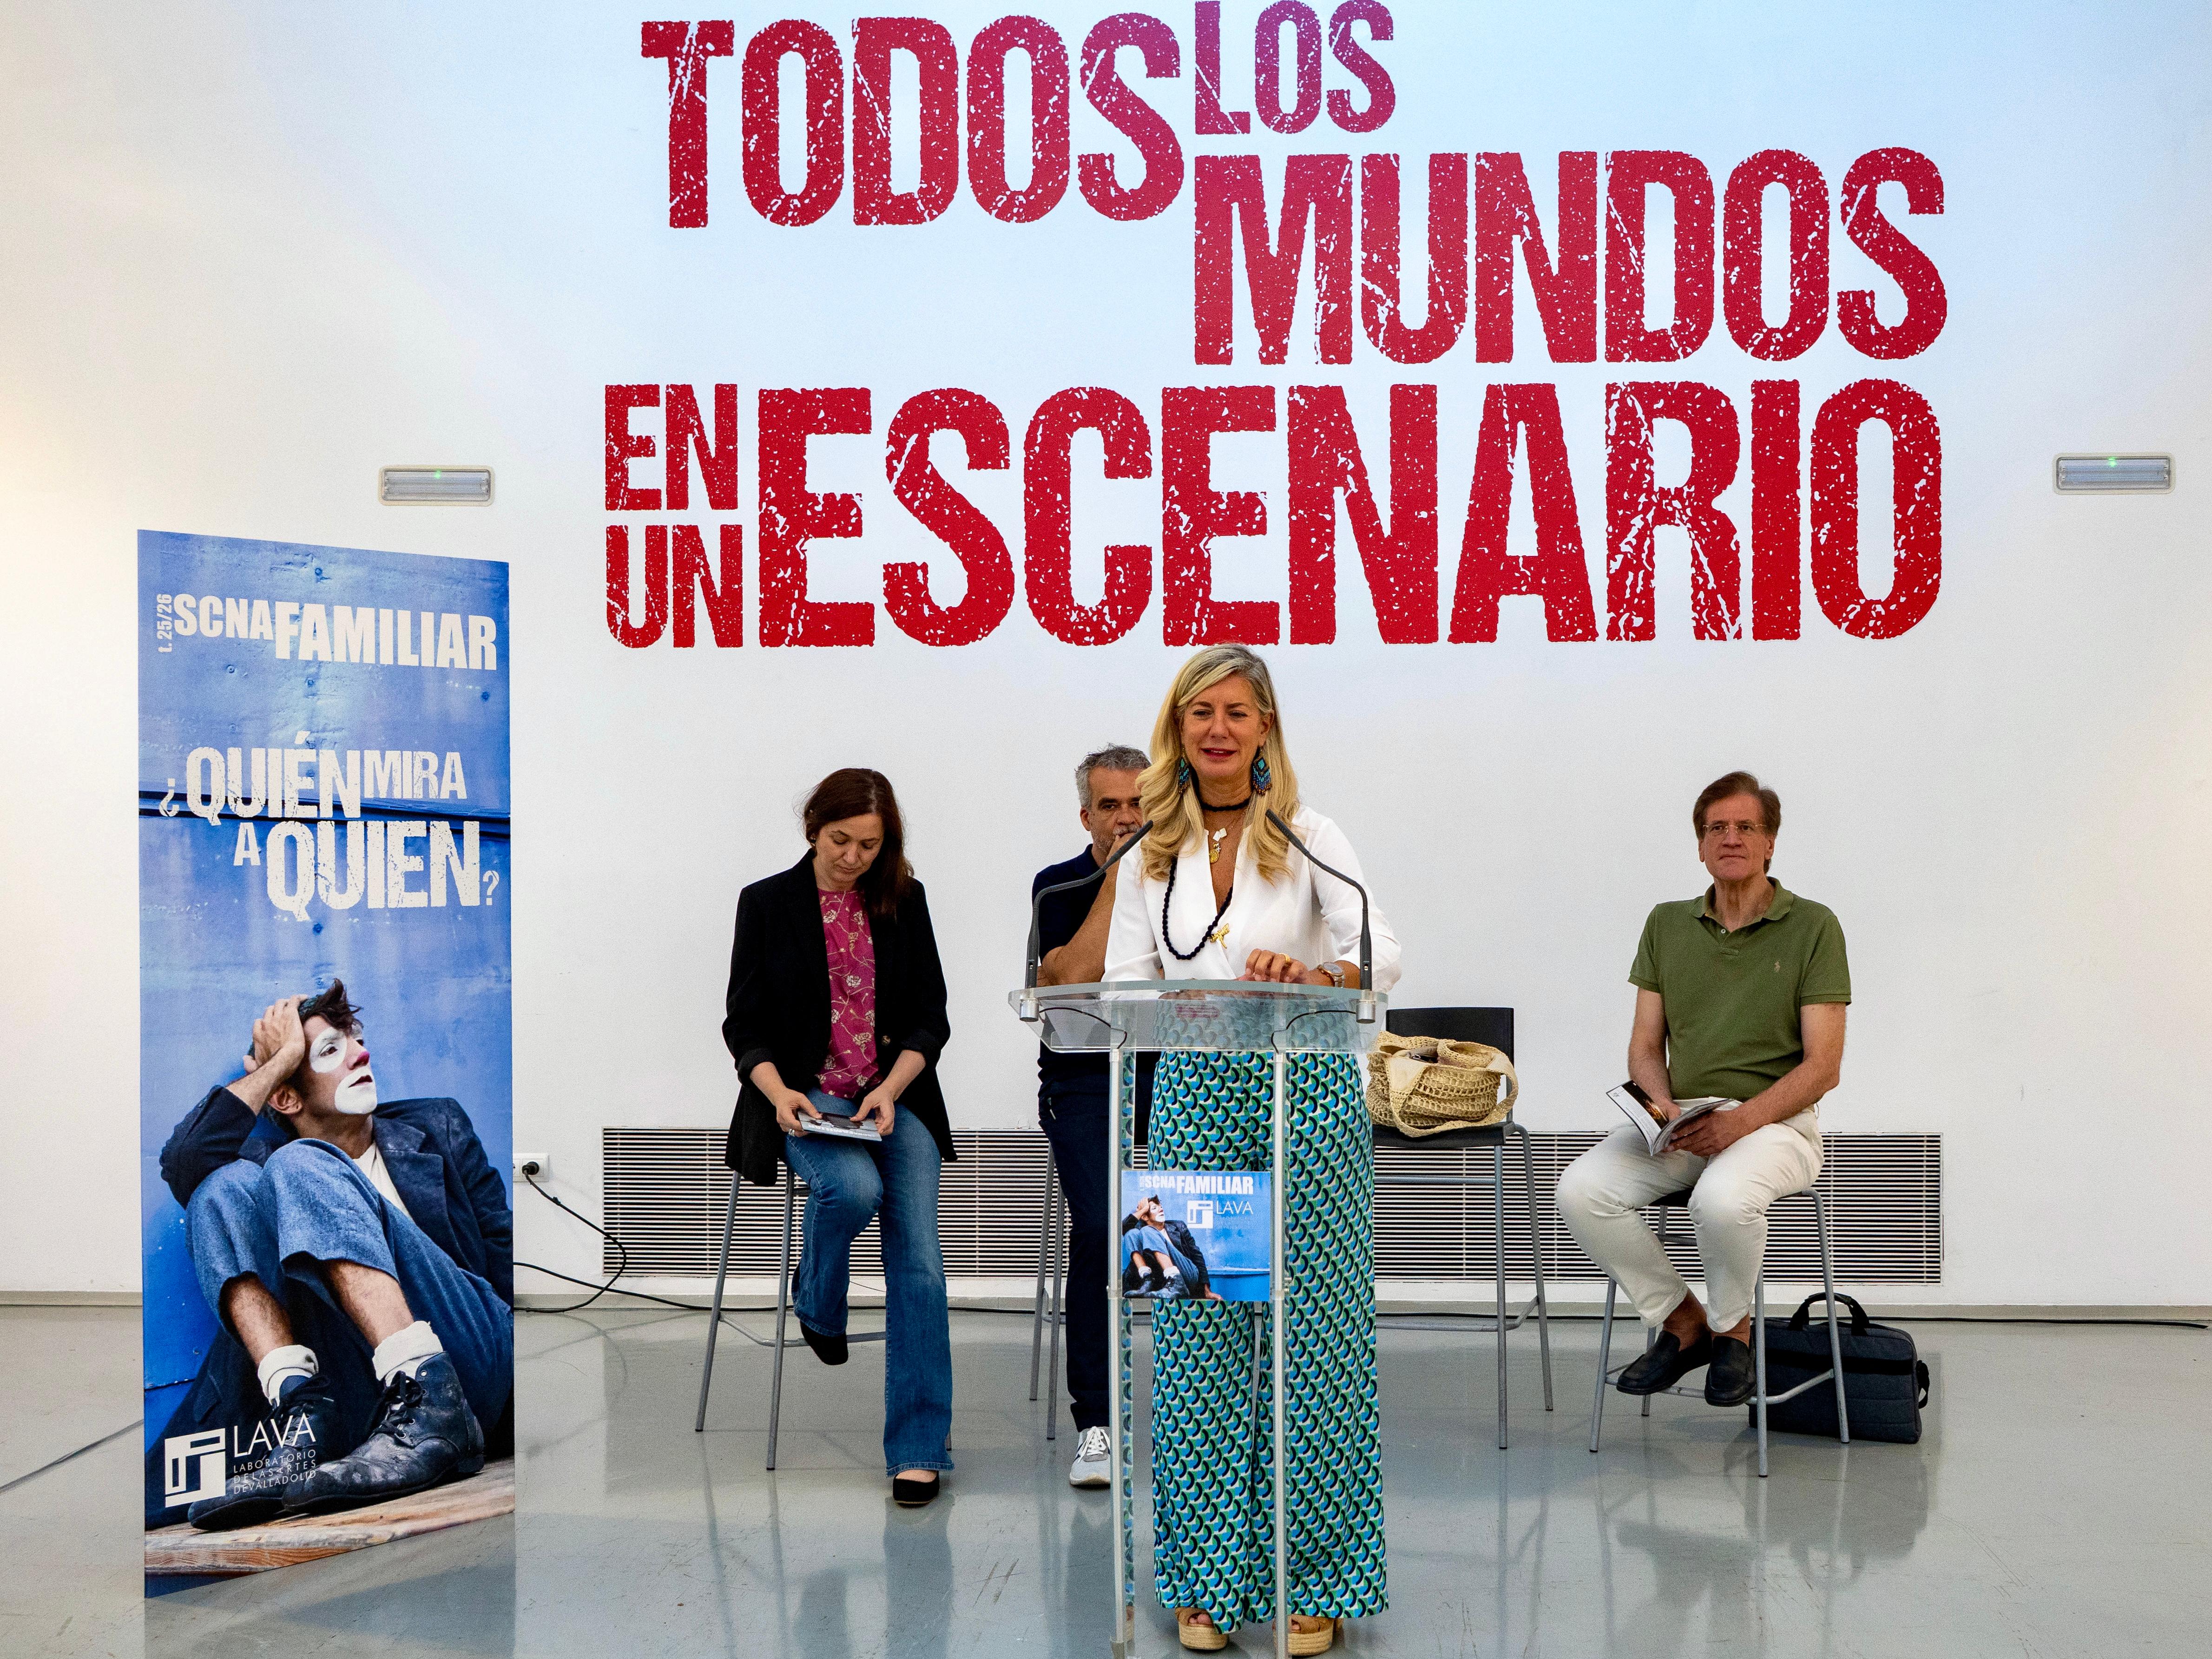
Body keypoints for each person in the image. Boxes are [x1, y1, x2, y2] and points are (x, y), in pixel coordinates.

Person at [1103, 645, 1400, 1657]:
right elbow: (1124, 980)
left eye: (1236, 712)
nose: (1218, 729)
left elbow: (1379, 953)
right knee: (1199, 1346)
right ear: (1177, 730)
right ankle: (1206, 1582)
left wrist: (1317, 976)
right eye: (1201, 713)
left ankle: (1316, 1581)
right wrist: (1169, 993)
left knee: (1315, 1344)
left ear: (1265, 725)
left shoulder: (1311, 836)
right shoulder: (1150, 850)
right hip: (1193, 1100)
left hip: (1302, 1097)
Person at [145, 981, 512, 1532]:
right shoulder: (270, 1162)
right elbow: (186, 1160)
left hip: (469, 1354)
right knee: (221, 1186)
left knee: (302, 1163)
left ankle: (432, 1399)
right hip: (359, 1384)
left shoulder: (436, 1124)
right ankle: (304, 1416)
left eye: (356, 1040)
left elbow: (503, 1259)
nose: (360, 1055)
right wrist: (280, 1061)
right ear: (287, 1099)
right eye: (330, 1051)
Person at [1555, 770, 1850, 1410]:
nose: (1730, 838)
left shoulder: (1814, 926)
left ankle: (1733, 1333)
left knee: (1719, 1201)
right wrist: (1661, 1107)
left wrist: (1739, 1123)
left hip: (1777, 1126)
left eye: (1746, 826)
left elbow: (1823, 1067)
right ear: (1699, 846)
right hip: (1688, 1121)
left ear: (1770, 842)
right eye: (1716, 827)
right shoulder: (1666, 924)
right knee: (1580, 1190)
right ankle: (1683, 1322)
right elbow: (1645, 1046)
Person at [721, 768, 955, 1507]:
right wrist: (779, 1093)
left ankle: (918, 1448)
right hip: (802, 1092)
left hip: (892, 1093)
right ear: (813, 829)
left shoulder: (905, 899)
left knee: (920, 1261)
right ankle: (820, 1298)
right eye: (840, 840)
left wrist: (891, 1087)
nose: (854, 857)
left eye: (870, 844)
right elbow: (743, 1025)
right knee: (852, 1188)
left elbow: (932, 1017)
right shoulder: (766, 902)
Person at [1030, 743, 1154, 1488]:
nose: (1126, 817)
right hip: (1085, 1081)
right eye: (1110, 806)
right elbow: (1072, 978)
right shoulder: (1060, 884)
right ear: (1087, 816)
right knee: (1108, 1225)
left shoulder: (1193, 880)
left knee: (1193, 1223)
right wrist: (1121, 878)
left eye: (1140, 803)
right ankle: (1098, 1423)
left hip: (1177, 1076)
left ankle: (1199, 1412)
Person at [1119, 1196, 1214, 1299]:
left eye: (1161, 1207)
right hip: (1161, 1281)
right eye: (1155, 1208)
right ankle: (1147, 1279)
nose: (1161, 1209)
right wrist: (1143, 1210)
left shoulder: (1179, 1226)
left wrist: (1207, 1291)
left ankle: (1176, 1280)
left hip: (1187, 1274)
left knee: (1148, 1230)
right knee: (1132, 1233)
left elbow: (1197, 1255)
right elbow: (1123, 1228)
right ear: (1145, 1217)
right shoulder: (1141, 1232)